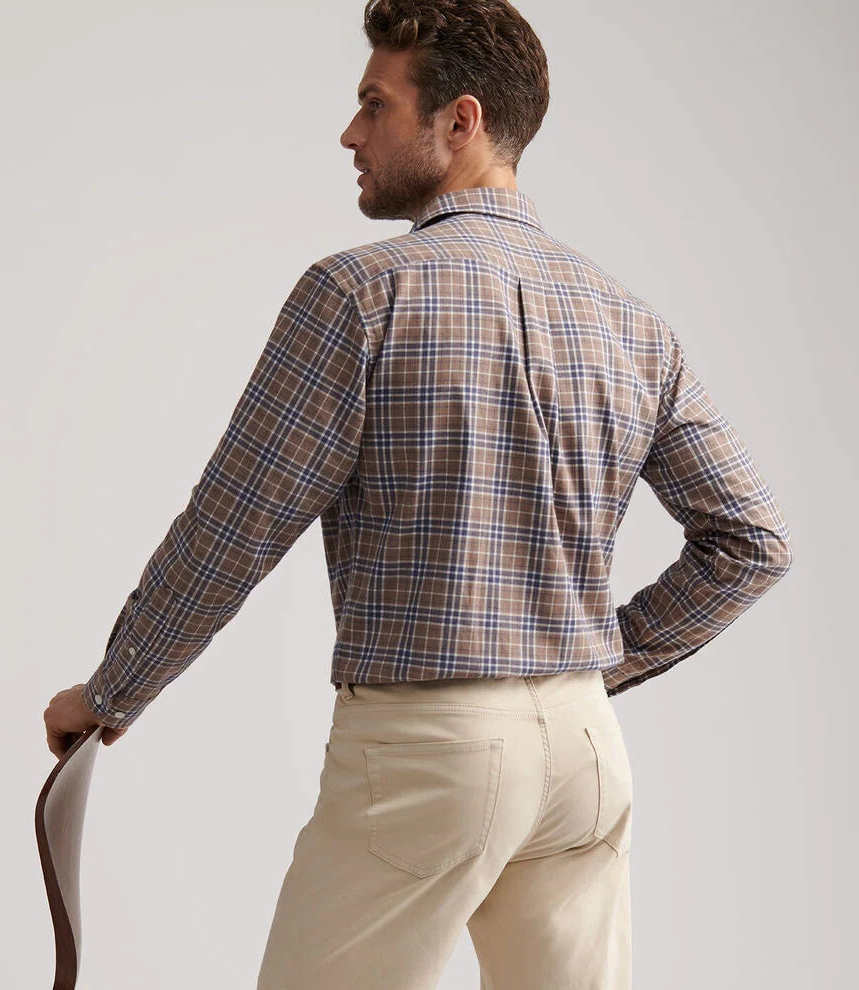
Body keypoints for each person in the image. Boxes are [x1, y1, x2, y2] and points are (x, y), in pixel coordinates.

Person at [44, 1, 794, 986]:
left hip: (428, 754)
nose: (349, 134)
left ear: (460, 120)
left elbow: (232, 530)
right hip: (584, 755)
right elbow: (752, 541)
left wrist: (112, 690)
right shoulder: (630, 322)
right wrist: (593, 667)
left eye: (374, 104)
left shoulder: (358, 296)